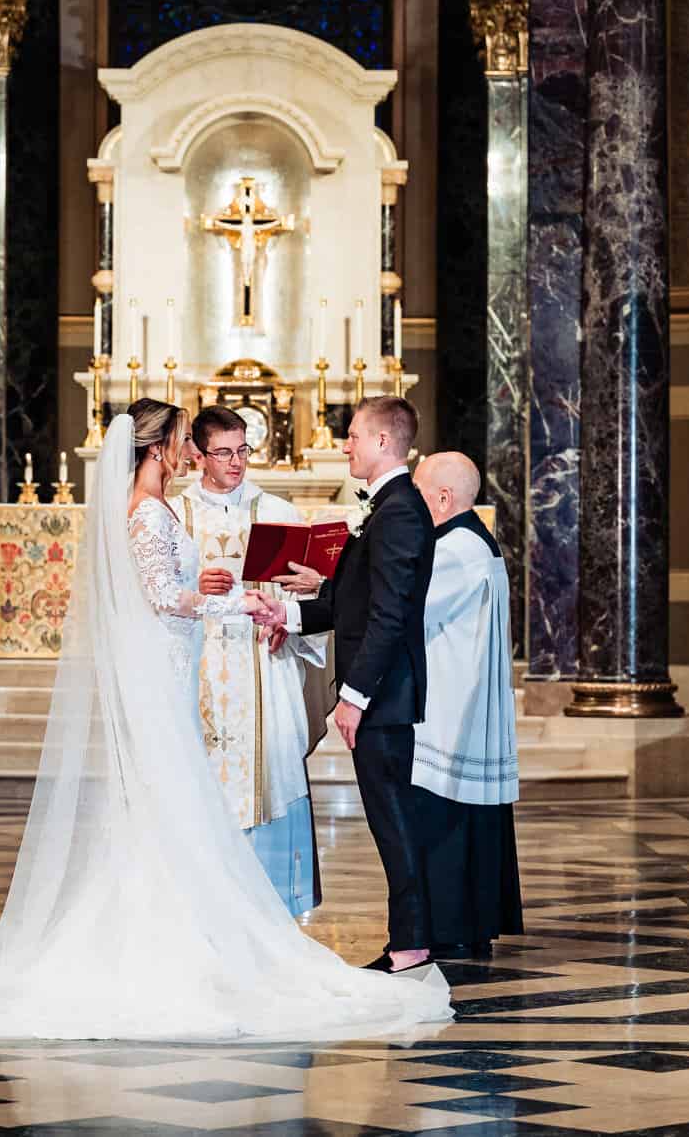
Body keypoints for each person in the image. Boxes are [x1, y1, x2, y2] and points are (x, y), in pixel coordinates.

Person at [0, 402, 451, 1040]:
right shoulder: (155, 510)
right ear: (164, 450)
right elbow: (163, 597)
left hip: (185, 668)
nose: (199, 455)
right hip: (174, 668)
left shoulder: (186, 507)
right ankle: (174, 938)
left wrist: (270, 612)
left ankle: (195, 930)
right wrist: (233, 600)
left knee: (168, 807)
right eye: (194, 443)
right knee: (170, 802)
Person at [276, 395, 439, 973]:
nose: (345, 445)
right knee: (387, 816)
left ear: (382, 443)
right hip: (383, 694)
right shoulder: (389, 507)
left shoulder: (397, 511)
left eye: (353, 435)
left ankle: (411, 944)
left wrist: (354, 695)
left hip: (384, 697)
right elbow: (358, 602)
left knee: (392, 818)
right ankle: (410, 939)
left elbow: (391, 615)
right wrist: (288, 616)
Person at [175, 405, 332, 916]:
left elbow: (306, 590)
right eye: (223, 452)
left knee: (271, 766)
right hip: (197, 667)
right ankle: (201, 903)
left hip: (263, 666)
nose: (237, 462)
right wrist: (194, 587)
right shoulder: (175, 515)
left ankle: (271, 907)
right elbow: (152, 594)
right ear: (198, 455)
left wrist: (290, 617)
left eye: (243, 450)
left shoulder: (279, 512)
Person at [409, 452, 524, 959]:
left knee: (446, 817)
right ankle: (466, 926)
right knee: (465, 819)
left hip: (450, 711)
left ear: (442, 498)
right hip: (463, 703)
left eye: (417, 490)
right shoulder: (472, 541)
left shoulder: (454, 549)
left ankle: (450, 927)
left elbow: (407, 610)